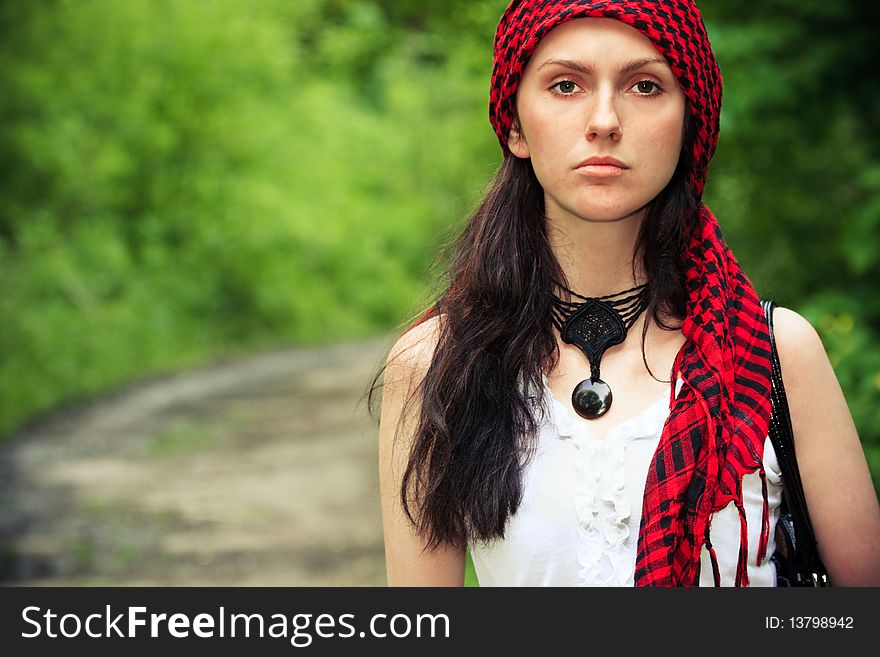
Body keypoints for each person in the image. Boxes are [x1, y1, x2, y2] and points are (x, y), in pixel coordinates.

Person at [376, 0, 880, 586]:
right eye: (566, 85)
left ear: (689, 122)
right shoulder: (434, 364)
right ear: (515, 124)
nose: (605, 120)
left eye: (644, 87)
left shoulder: (773, 353)